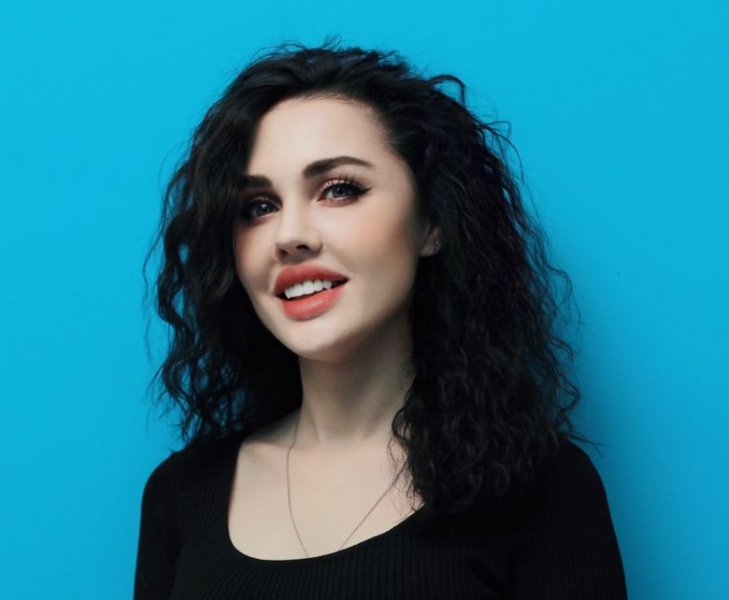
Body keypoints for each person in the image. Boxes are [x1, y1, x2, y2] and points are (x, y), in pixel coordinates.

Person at [134, 44, 628, 599]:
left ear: (431, 223)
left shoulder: (540, 485)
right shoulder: (181, 495)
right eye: (258, 206)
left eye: (339, 189)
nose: (289, 235)